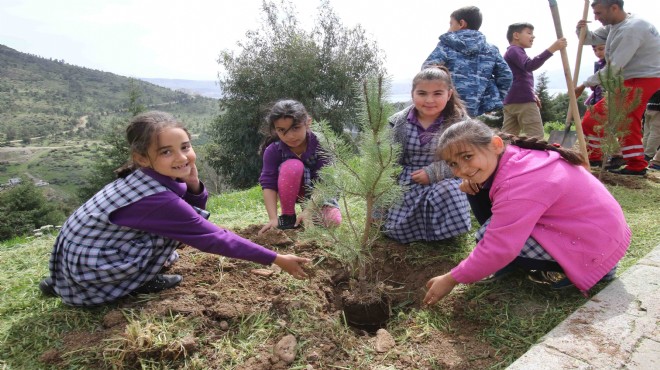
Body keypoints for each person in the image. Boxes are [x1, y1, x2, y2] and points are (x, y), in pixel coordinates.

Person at [40, 111, 310, 307]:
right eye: (166, 152)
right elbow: (211, 236)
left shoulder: (142, 178)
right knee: (172, 232)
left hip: (79, 257)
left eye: (185, 147)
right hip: (92, 265)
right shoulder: (155, 199)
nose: (182, 157)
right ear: (142, 158)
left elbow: (187, 214)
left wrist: (193, 184)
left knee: (174, 229)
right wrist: (276, 259)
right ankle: (133, 283)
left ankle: (69, 281)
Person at [423, 119, 631, 305]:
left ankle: (594, 270)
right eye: (454, 164)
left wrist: (451, 279)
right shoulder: (517, 158)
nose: (463, 169)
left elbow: (498, 248)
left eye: (468, 156)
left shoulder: (520, 184)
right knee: (474, 188)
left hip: (596, 249)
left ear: (496, 145)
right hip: (597, 232)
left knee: (486, 238)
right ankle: (516, 264)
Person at [383, 67, 471, 244]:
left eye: (437, 93)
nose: (429, 100)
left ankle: (445, 236)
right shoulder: (397, 123)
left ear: (449, 94)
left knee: (450, 191)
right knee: (395, 229)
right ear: (413, 93)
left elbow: (468, 158)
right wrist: (378, 209)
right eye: (422, 93)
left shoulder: (461, 123)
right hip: (406, 181)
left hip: (446, 180)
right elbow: (384, 163)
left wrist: (434, 173)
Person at [574, 0, 660, 176]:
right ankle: (596, 156)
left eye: (599, 13)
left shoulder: (631, 30)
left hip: (644, 78)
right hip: (629, 79)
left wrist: (584, 84)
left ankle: (636, 165)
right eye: (594, 14)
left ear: (614, 8)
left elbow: (614, 68)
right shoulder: (614, 25)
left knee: (624, 119)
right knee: (594, 118)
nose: (596, 18)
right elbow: (589, 39)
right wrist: (581, 29)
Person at [258, 99, 341, 234]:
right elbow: (268, 184)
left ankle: (306, 215)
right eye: (281, 130)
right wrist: (273, 218)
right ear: (275, 129)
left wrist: (309, 210)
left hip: (320, 194)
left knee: (332, 221)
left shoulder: (322, 145)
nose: (290, 136)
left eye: (295, 128)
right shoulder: (273, 151)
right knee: (293, 166)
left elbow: (326, 182)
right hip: (291, 191)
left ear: (308, 122)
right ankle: (288, 217)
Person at [421, 6, 512, 118]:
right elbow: (506, 76)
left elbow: (428, 70)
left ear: (461, 24)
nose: (448, 29)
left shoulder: (446, 45)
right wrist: (495, 99)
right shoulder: (491, 49)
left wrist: (433, 95)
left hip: (447, 105)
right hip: (475, 106)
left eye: (451, 24)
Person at [502, 22, 567, 140]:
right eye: (529, 33)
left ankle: (503, 157)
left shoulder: (511, 52)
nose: (533, 36)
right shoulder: (514, 50)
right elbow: (529, 65)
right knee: (536, 138)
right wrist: (553, 48)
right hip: (523, 102)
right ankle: (537, 158)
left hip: (511, 101)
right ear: (516, 35)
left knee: (507, 139)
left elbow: (518, 78)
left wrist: (532, 93)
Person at [644, 90, 660, 170]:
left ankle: (644, 153)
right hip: (658, 108)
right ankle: (648, 155)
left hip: (649, 106)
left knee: (648, 133)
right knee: (656, 133)